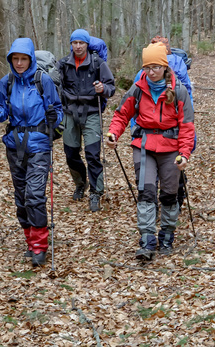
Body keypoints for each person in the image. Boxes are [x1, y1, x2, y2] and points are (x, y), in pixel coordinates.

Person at [0, 38, 64, 266]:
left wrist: (54, 118)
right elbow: (0, 115)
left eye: (23, 59)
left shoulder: (42, 81)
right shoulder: (6, 83)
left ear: (30, 59)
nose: (19, 63)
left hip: (39, 144)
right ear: (10, 60)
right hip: (15, 145)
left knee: (34, 195)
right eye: (15, 59)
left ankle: (40, 246)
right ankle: (30, 241)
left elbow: (58, 109)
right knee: (21, 198)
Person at [107, 43, 194, 261]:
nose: (151, 72)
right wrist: (113, 134)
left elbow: (187, 126)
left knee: (169, 194)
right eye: (147, 67)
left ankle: (167, 235)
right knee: (146, 192)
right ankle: (147, 240)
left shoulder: (179, 91)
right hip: (144, 144)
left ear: (165, 67)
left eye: (155, 67)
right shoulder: (137, 89)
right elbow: (121, 115)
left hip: (171, 147)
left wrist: (184, 153)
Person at [57, 29, 116, 212]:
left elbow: (111, 87)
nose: (78, 46)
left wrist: (102, 89)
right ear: (71, 44)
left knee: (92, 153)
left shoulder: (98, 63)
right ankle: (80, 183)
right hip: (69, 113)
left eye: (81, 43)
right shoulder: (64, 64)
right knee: (71, 154)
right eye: (75, 43)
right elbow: (54, 82)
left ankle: (96, 191)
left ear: (87, 44)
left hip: (91, 112)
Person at [132, 35, 193, 103]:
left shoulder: (144, 71)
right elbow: (188, 90)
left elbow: (134, 95)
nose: (151, 72)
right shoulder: (179, 64)